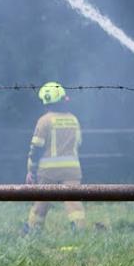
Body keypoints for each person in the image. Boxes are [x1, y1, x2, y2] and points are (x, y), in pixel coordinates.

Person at [24, 81, 91, 234]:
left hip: (48, 171)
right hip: (72, 169)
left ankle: (33, 231)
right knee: (73, 202)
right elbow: (79, 143)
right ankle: (79, 231)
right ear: (63, 99)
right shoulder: (73, 119)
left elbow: (36, 149)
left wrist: (30, 170)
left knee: (41, 202)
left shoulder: (44, 121)